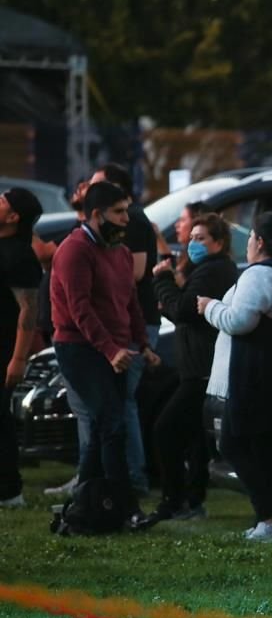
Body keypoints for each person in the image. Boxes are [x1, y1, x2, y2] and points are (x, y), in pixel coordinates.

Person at [49, 182, 160, 523]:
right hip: (79, 348)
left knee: (102, 427)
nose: (127, 218)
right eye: (119, 211)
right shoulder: (74, 250)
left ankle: (88, 503)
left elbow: (131, 304)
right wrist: (111, 350)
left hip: (114, 348)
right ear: (97, 215)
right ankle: (126, 509)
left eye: (126, 209)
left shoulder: (120, 251)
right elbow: (79, 309)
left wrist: (141, 344)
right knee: (112, 424)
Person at [200, 213, 272, 541]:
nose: (246, 244)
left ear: (260, 242)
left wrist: (209, 307)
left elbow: (238, 321)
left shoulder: (262, 274)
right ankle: (269, 517)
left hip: (255, 376)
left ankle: (270, 517)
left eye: (249, 238)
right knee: (259, 448)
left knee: (235, 443)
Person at [145, 213, 238, 525]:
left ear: (219, 242)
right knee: (197, 439)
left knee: (166, 429)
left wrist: (162, 280)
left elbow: (183, 310)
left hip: (201, 371)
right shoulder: (207, 269)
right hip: (198, 368)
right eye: (192, 238)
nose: (193, 244)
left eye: (201, 239)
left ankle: (173, 500)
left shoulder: (213, 270)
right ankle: (192, 501)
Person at [90, 163, 158, 496]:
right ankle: (104, 477)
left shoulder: (131, 221)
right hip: (125, 325)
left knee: (123, 403)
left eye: (96, 185)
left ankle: (133, 479)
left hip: (134, 325)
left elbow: (135, 274)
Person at [0, 188, 43, 508]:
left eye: (2, 201)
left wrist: (18, 358)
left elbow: (28, 310)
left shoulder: (19, 254)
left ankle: (9, 491)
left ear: (14, 216)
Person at [156, 201, 214, 285]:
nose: (176, 225)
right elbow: (171, 266)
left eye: (182, 220)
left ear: (196, 224)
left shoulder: (199, 259)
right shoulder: (188, 254)